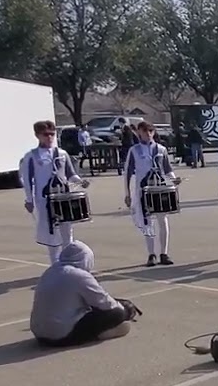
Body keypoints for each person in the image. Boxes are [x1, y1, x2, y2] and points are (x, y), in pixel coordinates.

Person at [30, 241, 139, 347]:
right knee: (118, 313)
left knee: (91, 307)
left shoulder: (51, 270)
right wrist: (125, 309)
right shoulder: (80, 275)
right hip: (61, 336)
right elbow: (105, 303)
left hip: (39, 334)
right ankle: (98, 334)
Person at [20, 120, 90, 264]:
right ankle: (55, 264)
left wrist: (80, 181)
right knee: (51, 233)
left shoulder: (62, 153)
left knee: (67, 231)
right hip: (44, 199)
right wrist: (29, 200)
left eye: (52, 134)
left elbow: (70, 174)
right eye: (45, 134)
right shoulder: (31, 156)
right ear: (37, 135)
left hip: (63, 197)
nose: (49, 137)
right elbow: (27, 179)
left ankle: (68, 262)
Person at [122, 121, 182, 266]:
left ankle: (164, 253)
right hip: (143, 190)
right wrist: (127, 194)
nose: (148, 134)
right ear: (139, 132)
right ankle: (151, 254)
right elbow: (127, 173)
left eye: (150, 131)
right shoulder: (134, 150)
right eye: (144, 131)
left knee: (163, 220)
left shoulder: (161, 149)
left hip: (160, 188)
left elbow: (167, 169)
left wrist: (174, 179)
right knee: (147, 222)